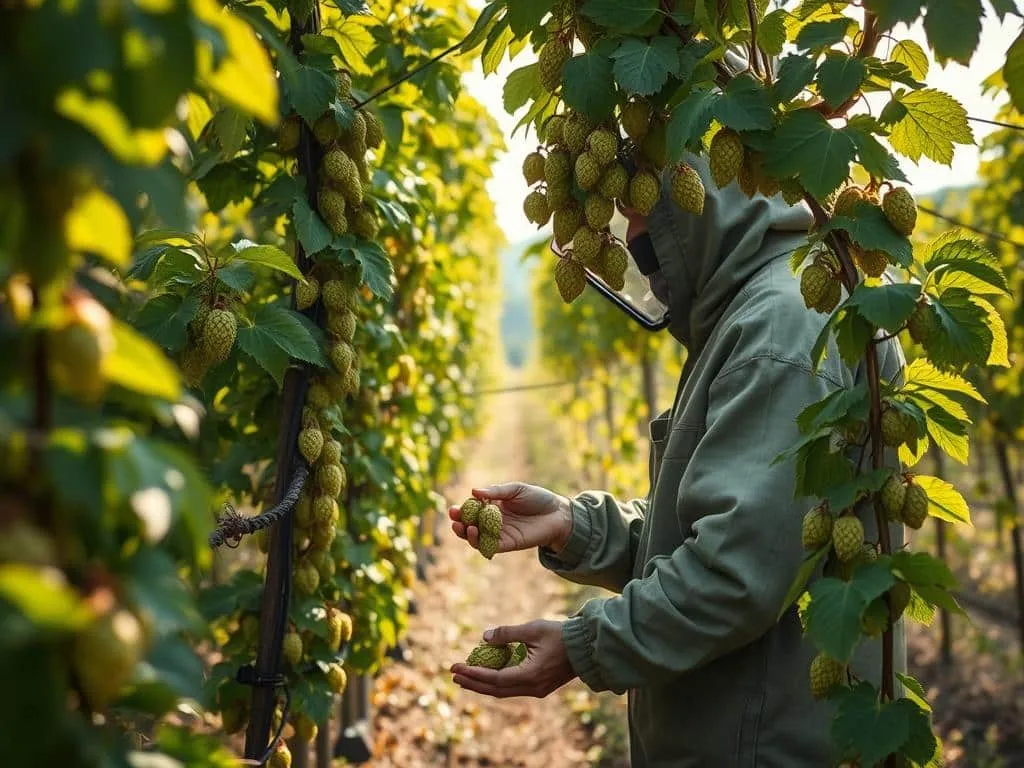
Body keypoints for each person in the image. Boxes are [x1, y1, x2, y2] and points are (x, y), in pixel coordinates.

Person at [448, 154, 907, 766]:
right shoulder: (749, 313)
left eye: (640, 211)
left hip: (759, 745)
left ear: (698, 192)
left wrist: (585, 645)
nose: (633, 241)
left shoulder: (778, 327)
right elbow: (721, 527)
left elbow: (734, 571)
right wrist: (574, 525)